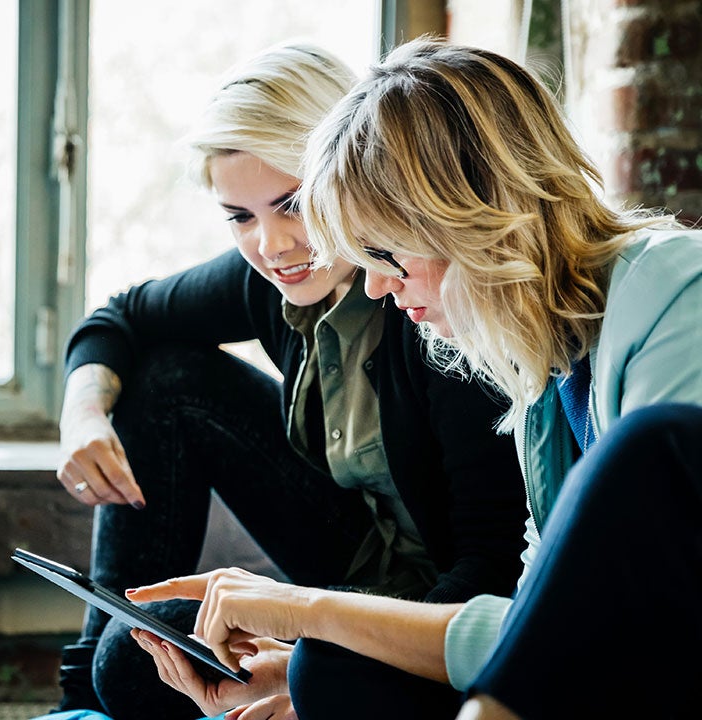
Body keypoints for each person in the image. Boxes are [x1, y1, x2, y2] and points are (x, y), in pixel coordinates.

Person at [131, 37, 702, 720]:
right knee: (324, 673)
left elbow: (618, 624)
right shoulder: (540, 373)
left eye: (386, 252)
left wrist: (310, 608)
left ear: (468, 215)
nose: (375, 285)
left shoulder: (672, 286)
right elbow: (532, 620)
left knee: (648, 444)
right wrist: (299, 670)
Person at [47, 42, 528, 720]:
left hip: (435, 609)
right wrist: (84, 413)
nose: (272, 248)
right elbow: (122, 317)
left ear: (353, 175)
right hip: (348, 554)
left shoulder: (432, 306)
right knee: (165, 383)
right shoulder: (267, 280)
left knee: (138, 664)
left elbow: (490, 579)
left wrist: (317, 661)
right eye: (240, 217)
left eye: (294, 205)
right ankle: (76, 709)